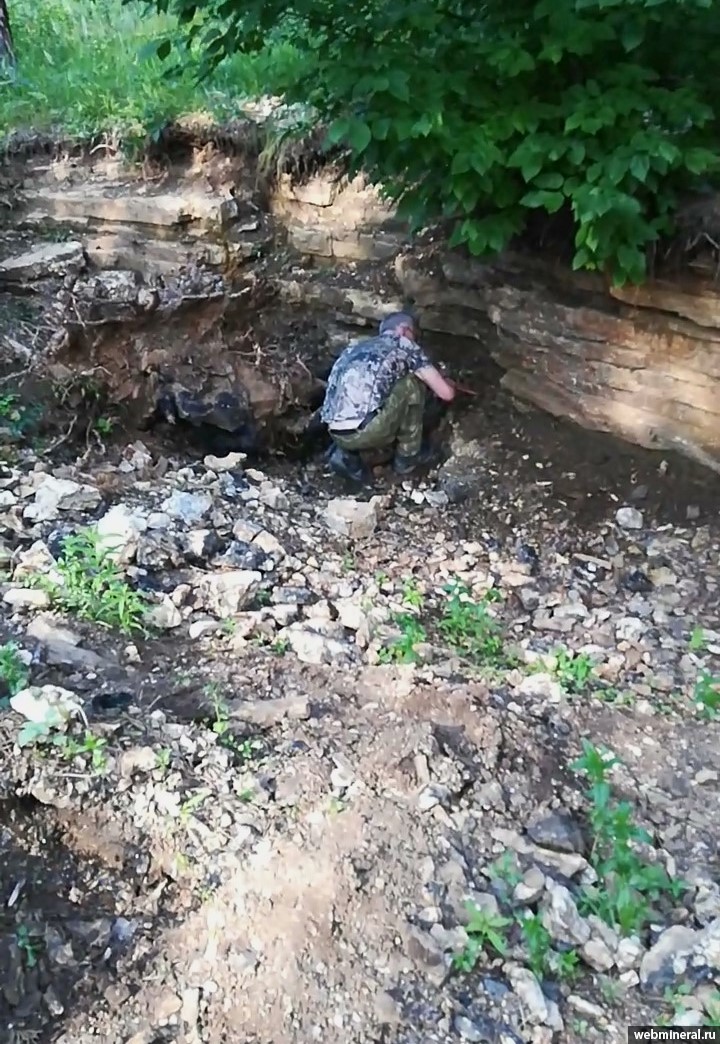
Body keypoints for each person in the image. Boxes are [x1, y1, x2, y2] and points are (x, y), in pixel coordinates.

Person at [320, 312, 456, 481]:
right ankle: (407, 458)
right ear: (404, 330)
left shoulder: (354, 348)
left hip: (335, 432)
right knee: (410, 383)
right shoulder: (403, 344)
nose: (414, 340)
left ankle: (349, 459)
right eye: (414, 335)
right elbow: (447, 394)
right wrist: (447, 382)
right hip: (370, 431)